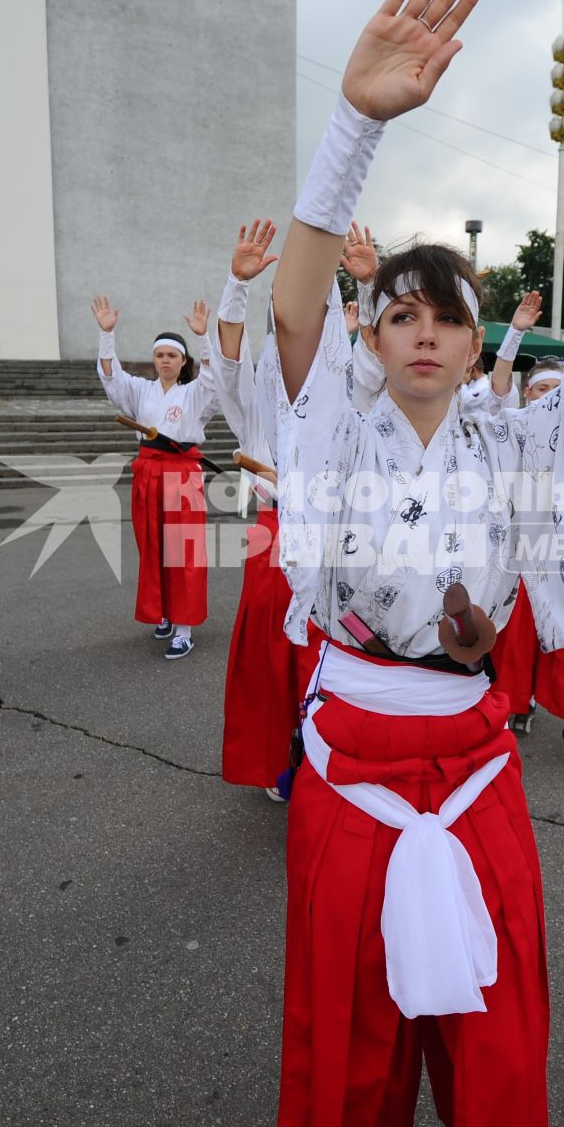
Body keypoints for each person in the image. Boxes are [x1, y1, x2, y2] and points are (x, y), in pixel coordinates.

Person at [265, 0, 564, 1127]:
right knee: (351, 1049)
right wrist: (355, 124)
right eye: (402, 313)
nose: (423, 331)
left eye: (447, 316)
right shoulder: (325, 424)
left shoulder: (518, 437)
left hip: (473, 758)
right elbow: (293, 306)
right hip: (349, 749)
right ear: (374, 335)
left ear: (477, 345)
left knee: (500, 1037)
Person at [201, 218, 322, 799]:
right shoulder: (256, 396)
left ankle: (330, 759)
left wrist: (366, 290)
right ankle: (281, 760)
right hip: (275, 537)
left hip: (340, 540)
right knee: (275, 660)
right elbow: (227, 360)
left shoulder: (342, 388)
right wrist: (237, 285)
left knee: (334, 659)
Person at [491, 356, 564, 771]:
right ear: (528, 393)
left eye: (557, 390)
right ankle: (510, 708)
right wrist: (516, 335)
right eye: (541, 389)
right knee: (514, 638)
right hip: (519, 552)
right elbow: (499, 386)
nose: (549, 397)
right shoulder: (514, 423)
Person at [93, 292, 218, 658]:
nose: (165, 361)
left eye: (172, 356)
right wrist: (106, 335)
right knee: (153, 547)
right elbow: (112, 377)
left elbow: (214, 379)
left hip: (182, 475)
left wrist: (202, 336)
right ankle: (162, 612)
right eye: (160, 355)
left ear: (183, 362)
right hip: (148, 472)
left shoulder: (195, 393)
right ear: (154, 360)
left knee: (184, 551)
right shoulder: (140, 391)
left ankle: (184, 627)